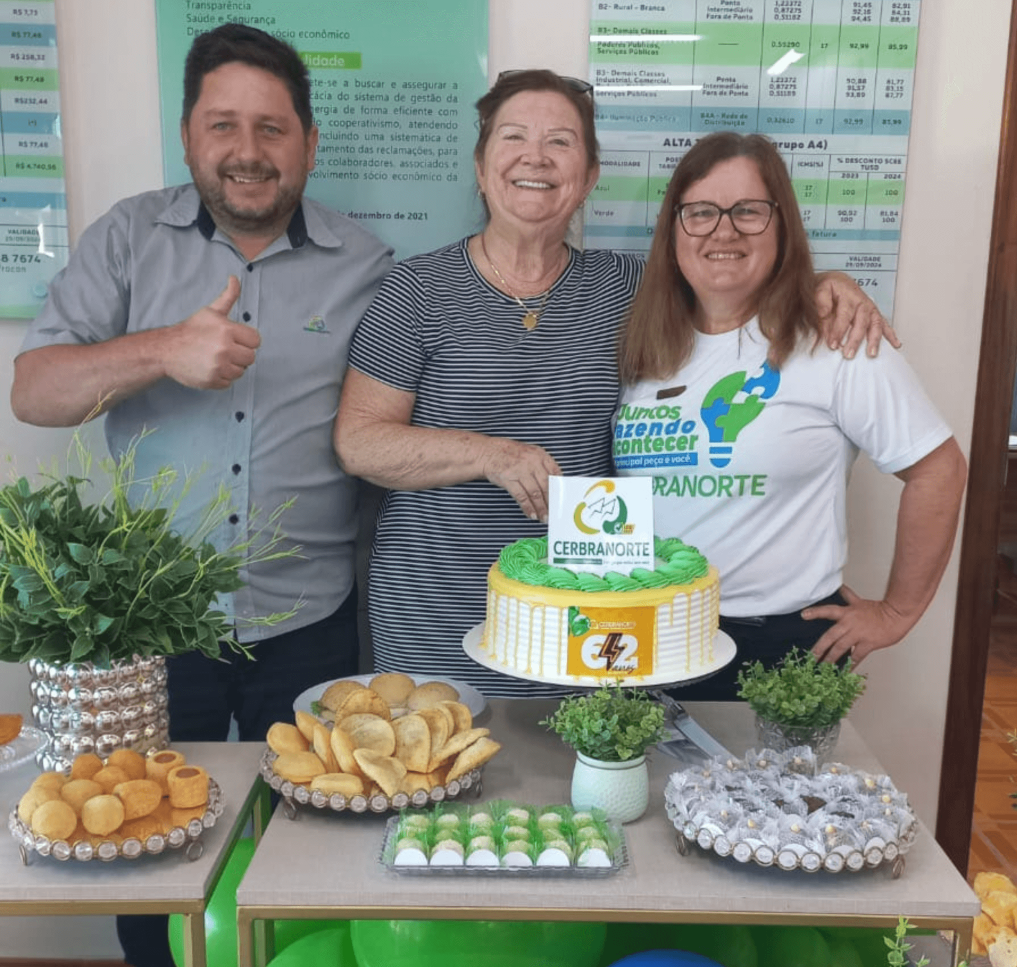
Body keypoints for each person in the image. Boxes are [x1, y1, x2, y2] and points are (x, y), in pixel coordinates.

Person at [10, 22, 392, 967]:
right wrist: (163, 351)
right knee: (139, 840)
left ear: (308, 142)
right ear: (188, 134)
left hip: (308, 620)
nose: (247, 149)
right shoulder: (128, 238)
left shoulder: (368, 264)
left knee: (309, 848)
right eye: (223, 124)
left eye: (272, 127)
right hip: (149, 629)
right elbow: (34, 390)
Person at [334, 69, 892, 699]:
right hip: (434, 615)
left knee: (579, 764)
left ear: (590, 176)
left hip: (596, 620)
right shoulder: (415, 290)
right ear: (481, 166)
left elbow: (735, 280)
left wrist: (829, 285)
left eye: (561, 142)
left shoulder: (633, 289)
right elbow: (359, 443)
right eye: (513, 137)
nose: (535, 157)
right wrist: (491, 454)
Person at [614, 131, 967, 698]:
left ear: (782, 226)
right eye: (700, 212)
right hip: (650, 633)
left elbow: (939, 469)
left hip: (777, 648)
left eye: (748, 211)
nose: (723, 230)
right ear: (673, 230)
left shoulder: (834, 339)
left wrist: (897, 612)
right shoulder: (646, 346)